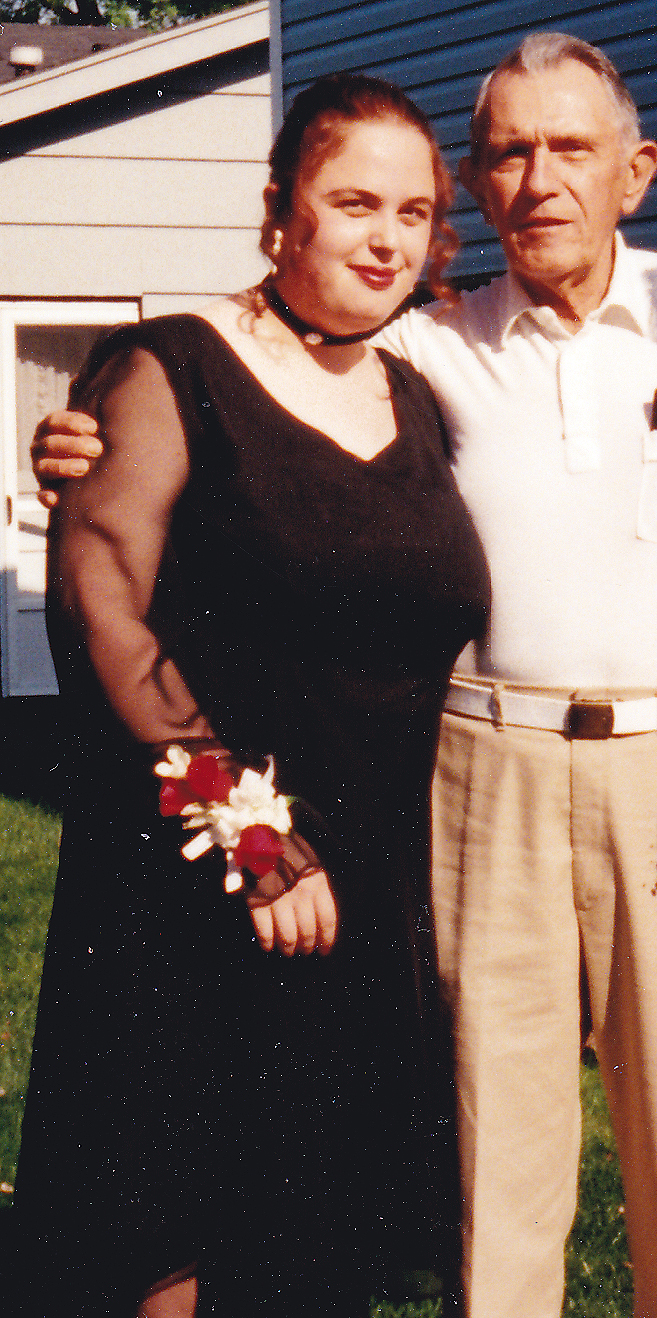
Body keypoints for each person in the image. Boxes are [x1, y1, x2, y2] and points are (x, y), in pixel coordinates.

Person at [35, 31, 657, 1318]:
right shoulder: (372, 354)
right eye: (506, 153)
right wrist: (78, 442)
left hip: (487, 826)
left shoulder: (418, 367)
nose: (538, 179)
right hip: (339, 826)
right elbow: (119, 580)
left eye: (410, 213)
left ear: (635, 171)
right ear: (283, 212)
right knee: (454, 1167)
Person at [16, 72, 490, 1318]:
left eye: (413, 212)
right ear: (279, 211)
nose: (386, 239)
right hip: (204, 881)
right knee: (169, 1239)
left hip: (369, 893)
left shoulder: (419, 400)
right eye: (353, 203)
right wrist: (254, 836)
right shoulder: (170, 368)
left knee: (312, 1245)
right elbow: (103, 609)